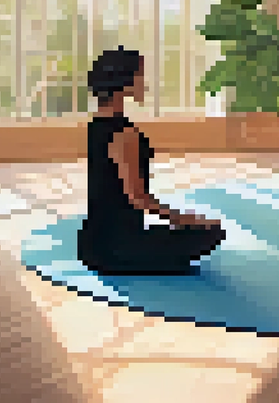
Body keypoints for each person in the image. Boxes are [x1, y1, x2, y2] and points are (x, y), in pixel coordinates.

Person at [77, 47, 226, 275]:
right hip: (116, 249)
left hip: (93, 244)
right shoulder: (124, 134)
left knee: (185, 234)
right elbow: (137, 197)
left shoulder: (96, 125)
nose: (143, 83)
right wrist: (181, 218)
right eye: (139, 76)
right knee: (212, 231)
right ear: (124, 82)